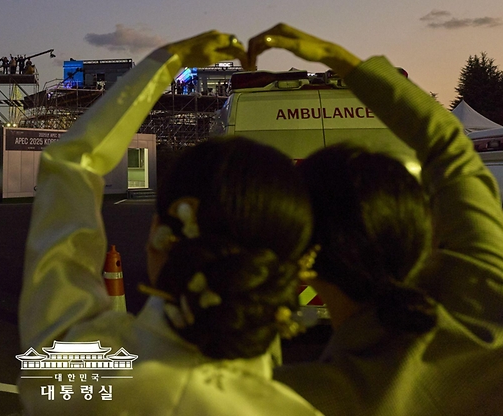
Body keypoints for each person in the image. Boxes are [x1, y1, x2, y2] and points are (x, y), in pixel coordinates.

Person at [243, 24, 503, 416]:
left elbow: (137, 380)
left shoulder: (308, 396)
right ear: (420, 223)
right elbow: (448, 144)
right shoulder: (496, 306)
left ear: (302, 255)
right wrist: (339, 59)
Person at [18, 31, 320, 415]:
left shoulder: (73, 375)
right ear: (297, 268)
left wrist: (164, 62)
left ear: (159, 235)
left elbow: (70, 164)